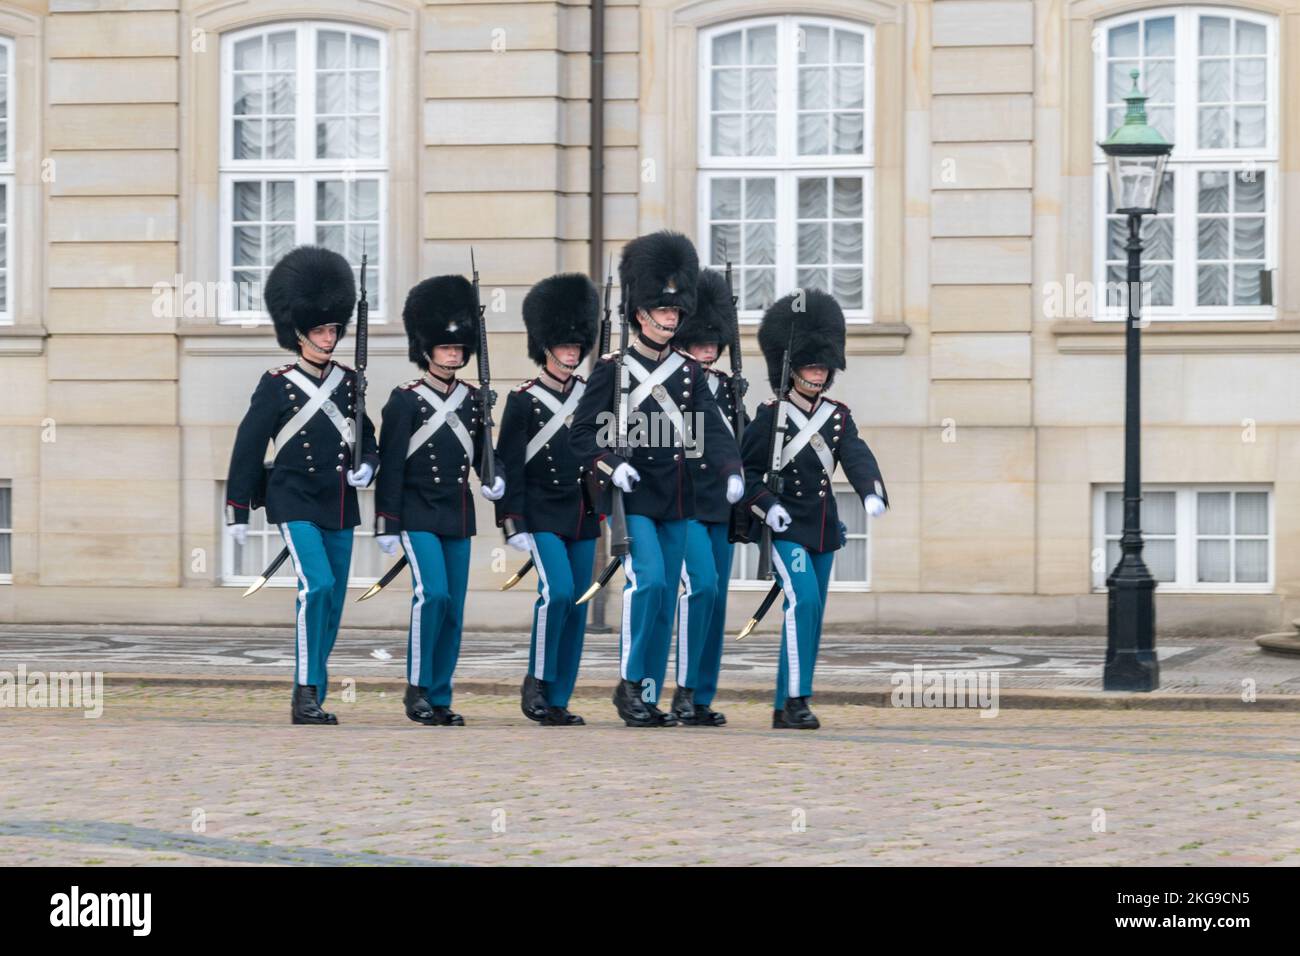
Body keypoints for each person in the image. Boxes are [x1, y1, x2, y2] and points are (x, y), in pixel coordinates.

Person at [569, 231, 744, 727]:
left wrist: (732, 469)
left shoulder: (687, 372)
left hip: (677, 498)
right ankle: (628, 687)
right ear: (641, 314)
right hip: (632, 498)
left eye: (674, 312)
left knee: (671, 590)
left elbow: (711, 425)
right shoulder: (613, 370)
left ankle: (648, 690)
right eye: (661, 311)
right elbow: (580, 435)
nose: (670, 319)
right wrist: (609, 464)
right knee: (647, 584)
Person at [225, 245, 378, 725]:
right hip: (293, 499)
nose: (330, 338)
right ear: (299, 332)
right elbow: (248, 445)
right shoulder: (276, 383)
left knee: (332, 599)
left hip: (338, 502)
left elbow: (367, 437)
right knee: (318, 586)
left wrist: (368, 465)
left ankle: (312, 685)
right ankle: (305, 693)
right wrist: (237, 509)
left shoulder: (350, 382)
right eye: (321, 330)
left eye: (334, 329)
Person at [740, 289, 888, 729]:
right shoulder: (770, 417)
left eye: (824, 365)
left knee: (810, 615)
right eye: (811, 364)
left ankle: (785, 705)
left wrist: (872, 491)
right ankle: (797, 700)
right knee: (802, 601)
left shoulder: (837, 416)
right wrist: (767, 507)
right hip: (785, 528)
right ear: (791, 368)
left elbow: (856, 455)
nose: (819, 372)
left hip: (821, 530)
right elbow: (745, 474)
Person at [374, 275, 506, 726]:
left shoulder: (473, 400)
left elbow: (486, 455)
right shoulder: (405, 400)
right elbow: (390, 464)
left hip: (457, 512)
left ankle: (442, 691)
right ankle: (417, 687)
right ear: (426, 350)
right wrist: (386, 522)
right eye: (445, 347)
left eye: (458, 348)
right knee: (431, 595)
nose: (453, 354)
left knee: (453, 607)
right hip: (414, 511)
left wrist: (495, 478)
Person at [496, 274, 601, 726]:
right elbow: (508, 464)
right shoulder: (523, 400)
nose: (572, 352)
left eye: (577, 345)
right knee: (556, 592)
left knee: (577, 603)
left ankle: (559, 696)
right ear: (546, 346)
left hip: (582, 512)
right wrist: (511, 521)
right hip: (540, 511)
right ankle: (536, 681)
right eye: (563, 344)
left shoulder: (592, 394)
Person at [669, 269, 745, 726]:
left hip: (721, 504)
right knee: (701, 588)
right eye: (701, 342)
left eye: (715, 342)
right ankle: (682, 688)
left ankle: (701, 694)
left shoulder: (729, 388)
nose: (709, 349)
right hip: (686, 500)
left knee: (716, 603)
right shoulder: (675, 382)